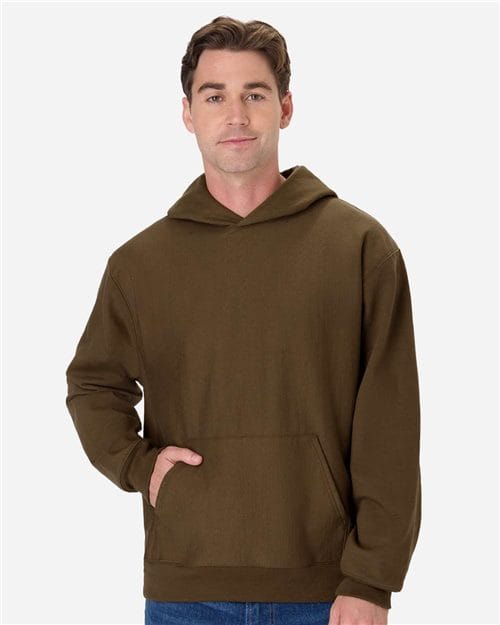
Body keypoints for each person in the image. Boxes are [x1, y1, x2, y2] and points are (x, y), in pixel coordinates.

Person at [65, 15, 422, 625]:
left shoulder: (360, 248)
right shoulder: (139, 264)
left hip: (327, 590)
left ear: (285, 108)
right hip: (185, 592)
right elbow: (93, 385)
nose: (235, 115)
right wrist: (140, 465)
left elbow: (391, 423)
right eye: (214, 96)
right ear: (188, 113)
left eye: (254, 95)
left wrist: (372, 580)